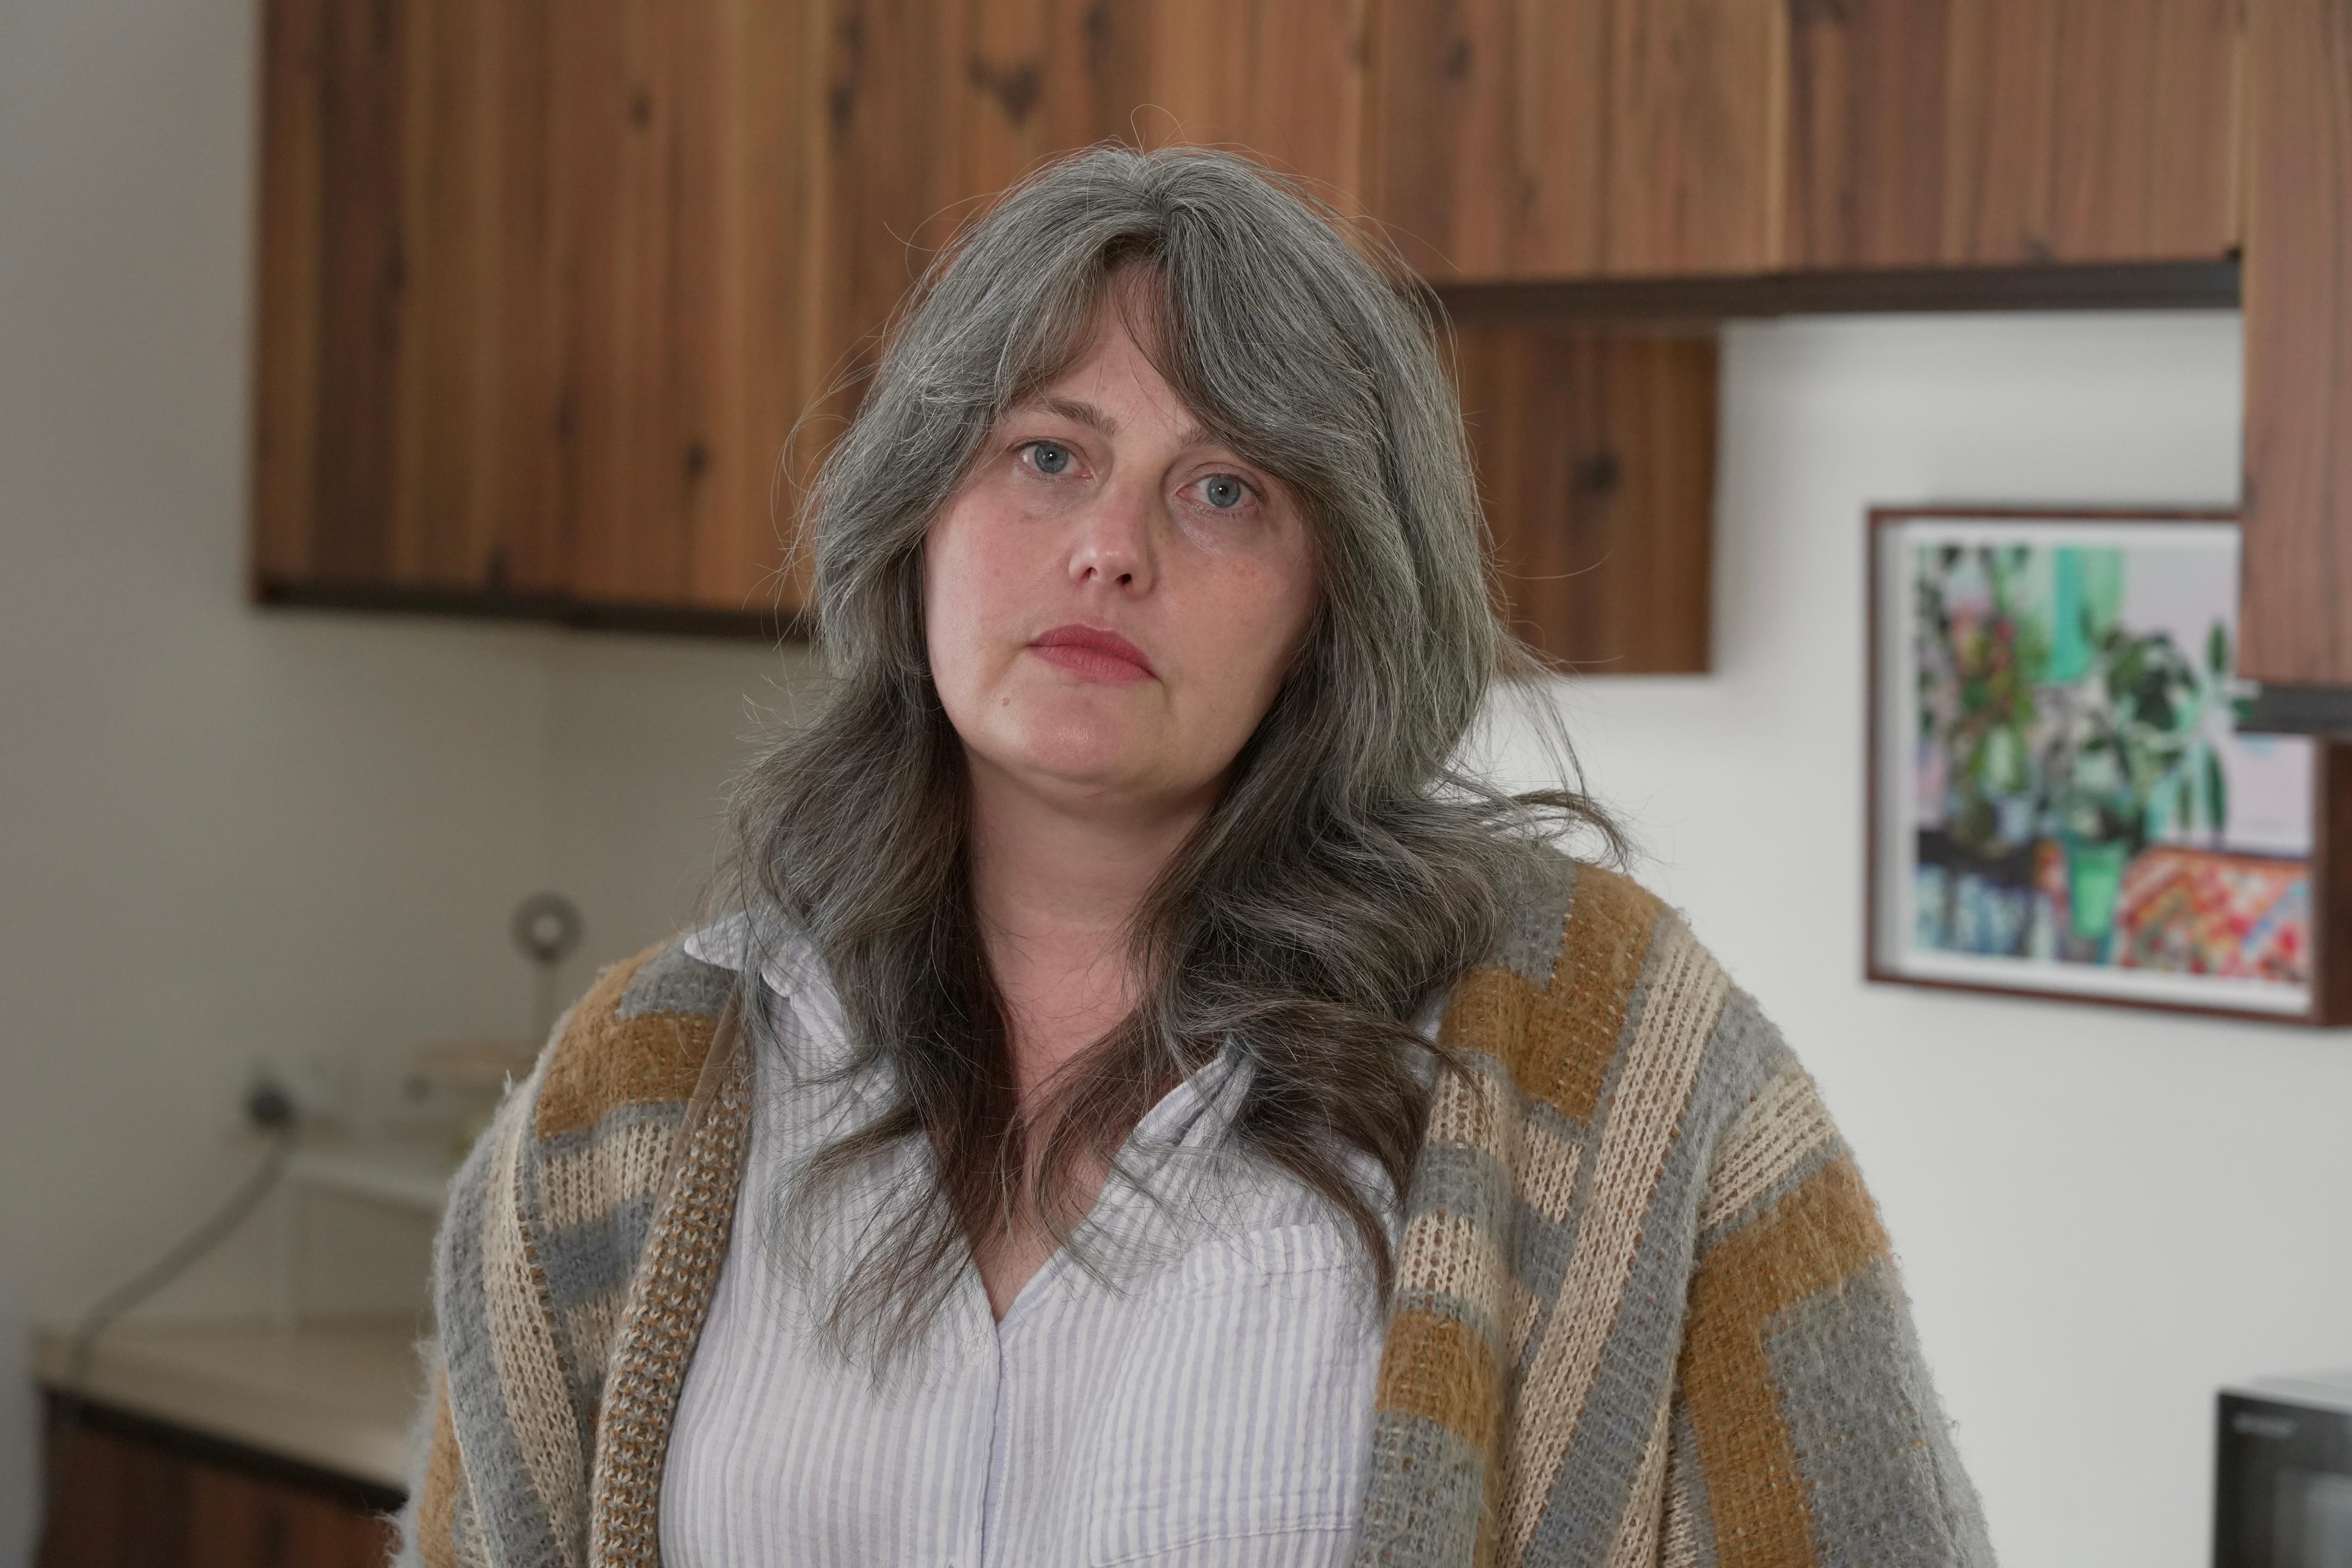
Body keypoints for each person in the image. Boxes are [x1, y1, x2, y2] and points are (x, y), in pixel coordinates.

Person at [398, 145, 1992, 1568]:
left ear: (1333, 604)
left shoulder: (1603, 1059)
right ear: (920, 520)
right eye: (1045, 455)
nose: (1113, 544)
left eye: (1225, 491)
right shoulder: (645, 1095)